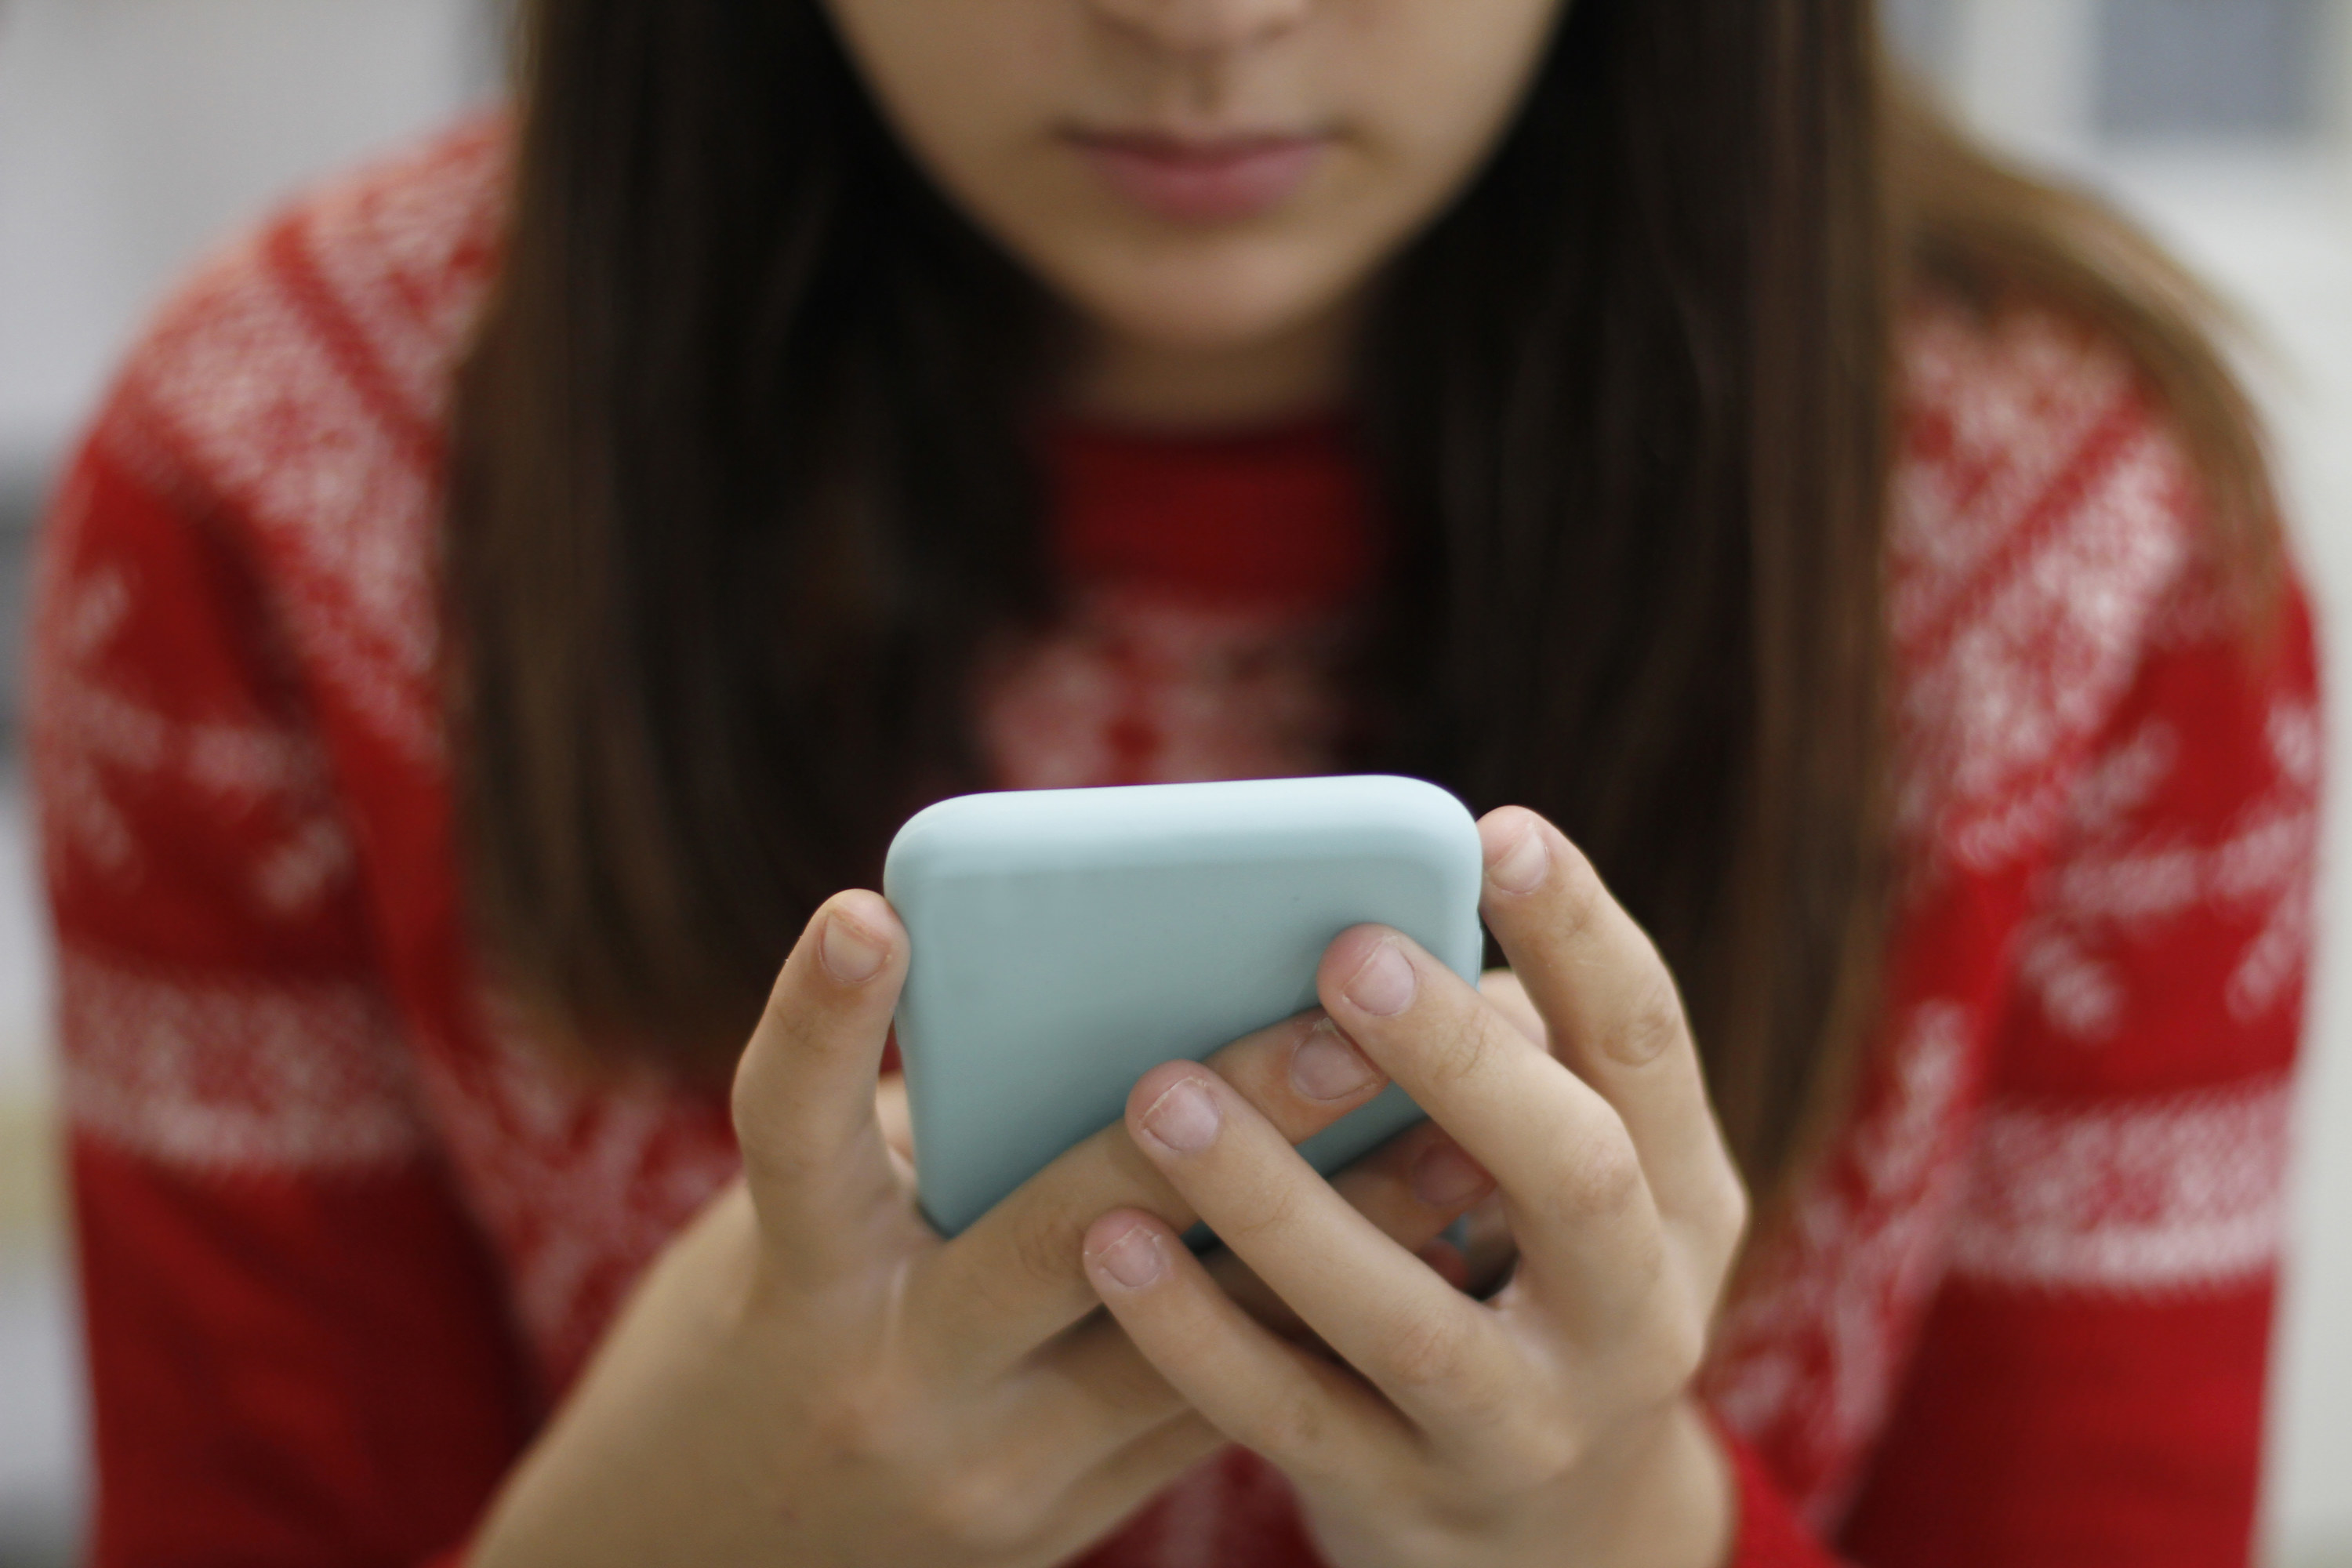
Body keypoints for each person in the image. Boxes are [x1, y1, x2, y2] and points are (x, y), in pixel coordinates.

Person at [29, 0, 2317, 1563]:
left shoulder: (2094, 540)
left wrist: (1624, 1526)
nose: (1210, 19)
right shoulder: (279, 475)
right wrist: (664, 1522)